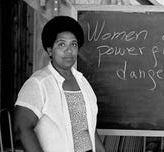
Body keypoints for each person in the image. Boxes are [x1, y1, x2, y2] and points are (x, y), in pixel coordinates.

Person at [14, 16, 106, 152]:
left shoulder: (82, 81)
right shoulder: (38, 83)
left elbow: (90, 128)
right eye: (61, 44)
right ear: (50, 50)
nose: (69, 50)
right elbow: (22, 127)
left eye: (73, 44)